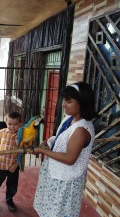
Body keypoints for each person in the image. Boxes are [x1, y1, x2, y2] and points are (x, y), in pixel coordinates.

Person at [32, 82, 99, 217]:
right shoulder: (69, 119)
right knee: (48, 211)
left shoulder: (81, 129)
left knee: (58, 213)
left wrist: (43, 151)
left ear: (82, 103)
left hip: (65, 181)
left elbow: (69, 158)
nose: (63, 104)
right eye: (64, 100)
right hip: (55, 175)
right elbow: (60, 138)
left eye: (69, 101)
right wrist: (49, 142)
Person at [0, 111, 22, 212]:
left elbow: (22, 153)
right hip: (0, 164)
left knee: (12, 185)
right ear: (6, 122)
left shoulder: (21, 136)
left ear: (20, 124)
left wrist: (16, 165)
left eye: (15, 124)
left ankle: (9, 200)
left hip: (13, 166)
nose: (12, 126)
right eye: (10, 124)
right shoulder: (2, 132)